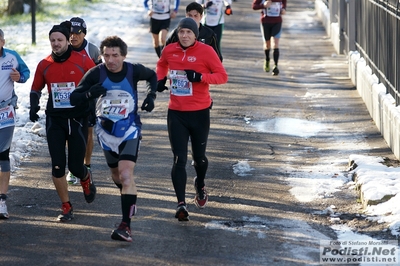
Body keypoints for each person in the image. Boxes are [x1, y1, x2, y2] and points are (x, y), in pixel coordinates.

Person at [70, 36, 158, 242]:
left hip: (130, 129)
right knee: (117, 177)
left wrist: (151, 95)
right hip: (106, 133)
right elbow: (74, 97)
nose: (110, 60)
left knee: (126, 175)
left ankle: (125, 225)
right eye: (106, 55)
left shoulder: (133, 70)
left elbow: (153, 76)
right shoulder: (95, 73)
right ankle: (128, 198)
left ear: (123, 56)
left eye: (115, 55)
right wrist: (89, 93)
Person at [156, 18, 228, 221]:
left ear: (196, 34)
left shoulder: (206, 52)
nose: (185, 36)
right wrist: (160, 80)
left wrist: (200, 77)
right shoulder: (170, 50)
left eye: (189, 32)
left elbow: (222, 76)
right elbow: (161, 65)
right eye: (181, 32)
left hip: (199, 113)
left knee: (200, 159)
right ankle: (181, 204)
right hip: (176, 113)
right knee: (179, 159)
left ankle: (200, 183)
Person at [29, 21, 96, 222]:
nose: (56, 44)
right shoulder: (44, 64)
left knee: (75, 167)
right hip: (55, 119)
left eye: (59, 40)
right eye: (52, 40)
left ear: (68, 40)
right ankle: (66, 206)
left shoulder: (82, 61)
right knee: (58, 166)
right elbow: (35, 88)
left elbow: (97, 82)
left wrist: (91, 107)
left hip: (77, 118)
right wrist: (33, 106)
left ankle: (85, 177)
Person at [66, 17, 101, 185]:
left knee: (87, 133)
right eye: (71, 33)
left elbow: (100, 74)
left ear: (84, 34)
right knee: (69, 134)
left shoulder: (92, 50)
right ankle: (73, 169)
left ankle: (87, 166)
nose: (73, 37)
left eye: (77, 33)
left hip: (87, 98)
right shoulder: (63, 47)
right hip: (67, 97)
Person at [0, 29, 30, 219]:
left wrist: (20, 77)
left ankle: (1, 201)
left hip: (5, 111)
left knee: (3, 153)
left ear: (2, 41)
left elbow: (26, 72)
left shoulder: (12, 56)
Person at [252, 0, 286, 75]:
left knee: (275, 44)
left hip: (277, 22)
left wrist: (283, 9)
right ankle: (267, 59)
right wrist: (263, 5)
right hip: (265, 22)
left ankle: (275, 66)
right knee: (267, 45)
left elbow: (284, 2)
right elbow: (254, 6)